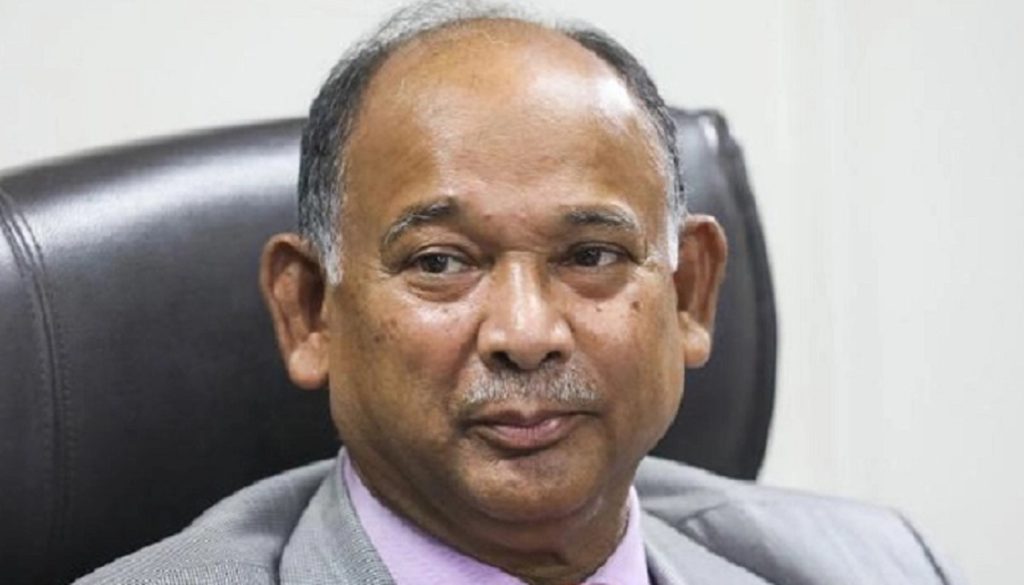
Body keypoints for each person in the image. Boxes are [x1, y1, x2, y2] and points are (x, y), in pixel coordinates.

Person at [75, 2, 961, 584]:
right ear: (311, 312)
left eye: (591, 254)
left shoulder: (875, 566)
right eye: (440, 263)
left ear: (690, 293)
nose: (526, 332)